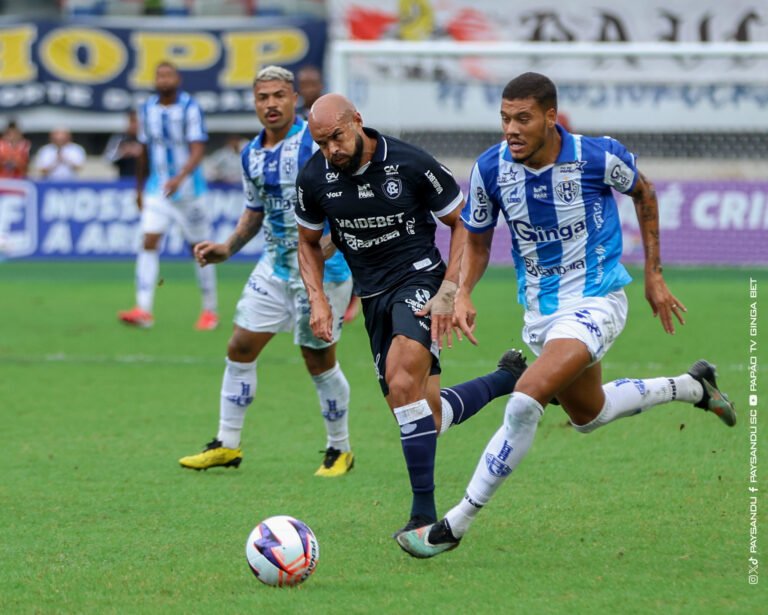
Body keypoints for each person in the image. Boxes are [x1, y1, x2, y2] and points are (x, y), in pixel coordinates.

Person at [395, 72, 737, 558]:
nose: (510, 129)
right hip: (541, 313)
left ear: (551, 118)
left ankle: (452, 525)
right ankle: (693, 385)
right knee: (588, 413)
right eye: (504, 118)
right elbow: (475, 237)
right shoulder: (491, 169)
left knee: (525, 398)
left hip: (597, 298)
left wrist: (653, 275)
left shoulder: (596, 157)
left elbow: (644, 192)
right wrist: (461, 291)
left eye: (523, 119)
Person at [295, 93, 528, 539]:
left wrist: (450, 290)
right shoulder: (314, 176)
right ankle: (504, 380)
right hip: (372, 297)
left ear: (357, 121)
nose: (331, 151)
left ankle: (423, 517)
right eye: (321, 144)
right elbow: (307, 241)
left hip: (419, 281)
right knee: (425, 418)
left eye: (336, 138)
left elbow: (464, 222)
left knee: (403, 385)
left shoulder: (410, 163)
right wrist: (318, 299)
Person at [179, 66, 356, 477]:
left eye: (279, 95)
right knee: (240, 346)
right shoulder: (250, 154)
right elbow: (254, 211)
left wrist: (327, 249)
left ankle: (339, 449)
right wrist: (227, 247)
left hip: (325, 271)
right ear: (255, 103)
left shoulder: (317, 143)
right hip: (274, 266)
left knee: (318, 360)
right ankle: (227, 444)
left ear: (294, 98)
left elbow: (347, 204)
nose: (271, 104)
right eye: (263, 97)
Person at [118, 61, 218, 330]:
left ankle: (209, 310)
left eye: (168, 75)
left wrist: (181, 176)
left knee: (199, 249)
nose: (163, 79)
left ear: (178, 79)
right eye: (159, 75)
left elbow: (198, 148)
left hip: (189, 191)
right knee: (148, 240)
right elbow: (144, 150)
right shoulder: (147, 108)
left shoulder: (189, 107)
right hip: (157, 189)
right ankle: (143, 309)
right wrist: (138, 189)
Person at [103, 110, 142, 178]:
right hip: (124, 179)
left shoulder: (145, 139)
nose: (134, 125)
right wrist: (122, 152)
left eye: (136, 122)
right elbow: (107, 159)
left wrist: (142, 152)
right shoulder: (119, 138)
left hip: (145, 180)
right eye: (132, 121)